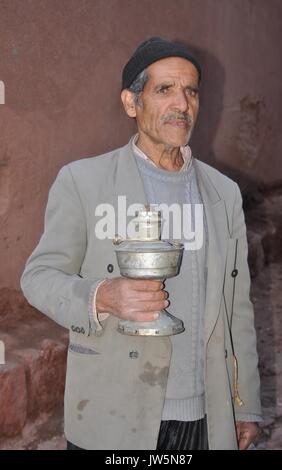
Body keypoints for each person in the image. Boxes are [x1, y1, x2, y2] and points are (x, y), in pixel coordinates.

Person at [21, 37, 262, 450]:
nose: (182, 104)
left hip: (205, 416)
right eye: (164, 90)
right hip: (114, 414)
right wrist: (101, 296)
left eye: (190, 91)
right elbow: (38, 277)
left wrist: (246, 403)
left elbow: (237, 305)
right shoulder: (84, 182)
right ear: (132, 103)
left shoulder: (223, 193)